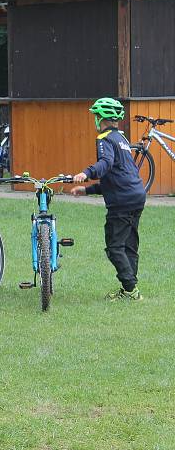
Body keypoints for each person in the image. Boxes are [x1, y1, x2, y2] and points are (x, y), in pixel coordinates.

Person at [70, 97, 146, 301]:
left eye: (96, 115)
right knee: (129, 245)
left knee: (114, 247)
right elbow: (117, 177)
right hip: (136, 196)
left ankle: (130, 289)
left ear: (100, 118)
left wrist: (86, 173)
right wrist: (86, 190)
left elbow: (106, 163)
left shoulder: (105, 138)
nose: (95, 119)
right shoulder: (122, 139)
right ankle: (130, 289)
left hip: (122, 202)